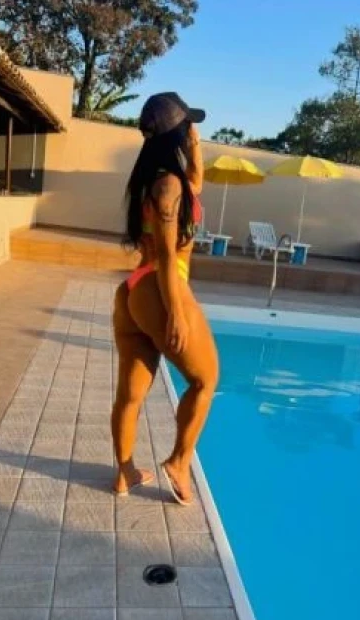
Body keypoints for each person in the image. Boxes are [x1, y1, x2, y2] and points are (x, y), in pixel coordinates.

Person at [111, 92, 219, 506]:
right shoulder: (169, 186)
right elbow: (170, 254)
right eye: (188, 126)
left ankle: (125, 472)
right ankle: (179, 461)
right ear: (177, 132)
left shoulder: (154, 180)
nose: (193, 132)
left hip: (133, 290)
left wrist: (195, 147)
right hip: (162, 286)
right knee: (205, 381)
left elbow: (196, 183)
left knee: (131, 393)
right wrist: (175, 312)